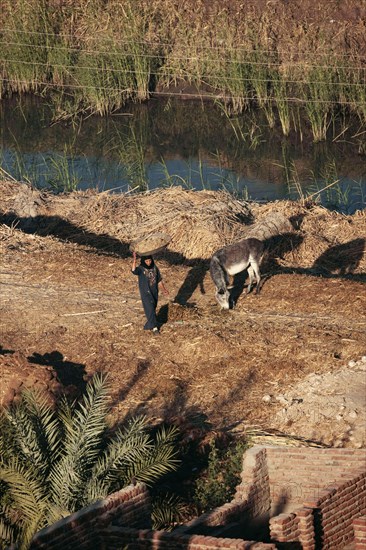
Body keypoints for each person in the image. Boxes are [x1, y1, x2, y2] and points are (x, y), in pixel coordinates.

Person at [132, 251, 169, 333]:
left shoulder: (155, 268)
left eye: (150, 261)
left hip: (154, 292)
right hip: (146, 293)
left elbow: (159, 280)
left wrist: (164, 290)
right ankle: (155, 327)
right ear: (143, 261)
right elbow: (134, 271)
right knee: (150, 309)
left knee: (153, 308)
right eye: (147, 261)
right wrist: (134, 259)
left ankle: (148, 325)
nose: (148, 262)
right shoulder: (141, 269)